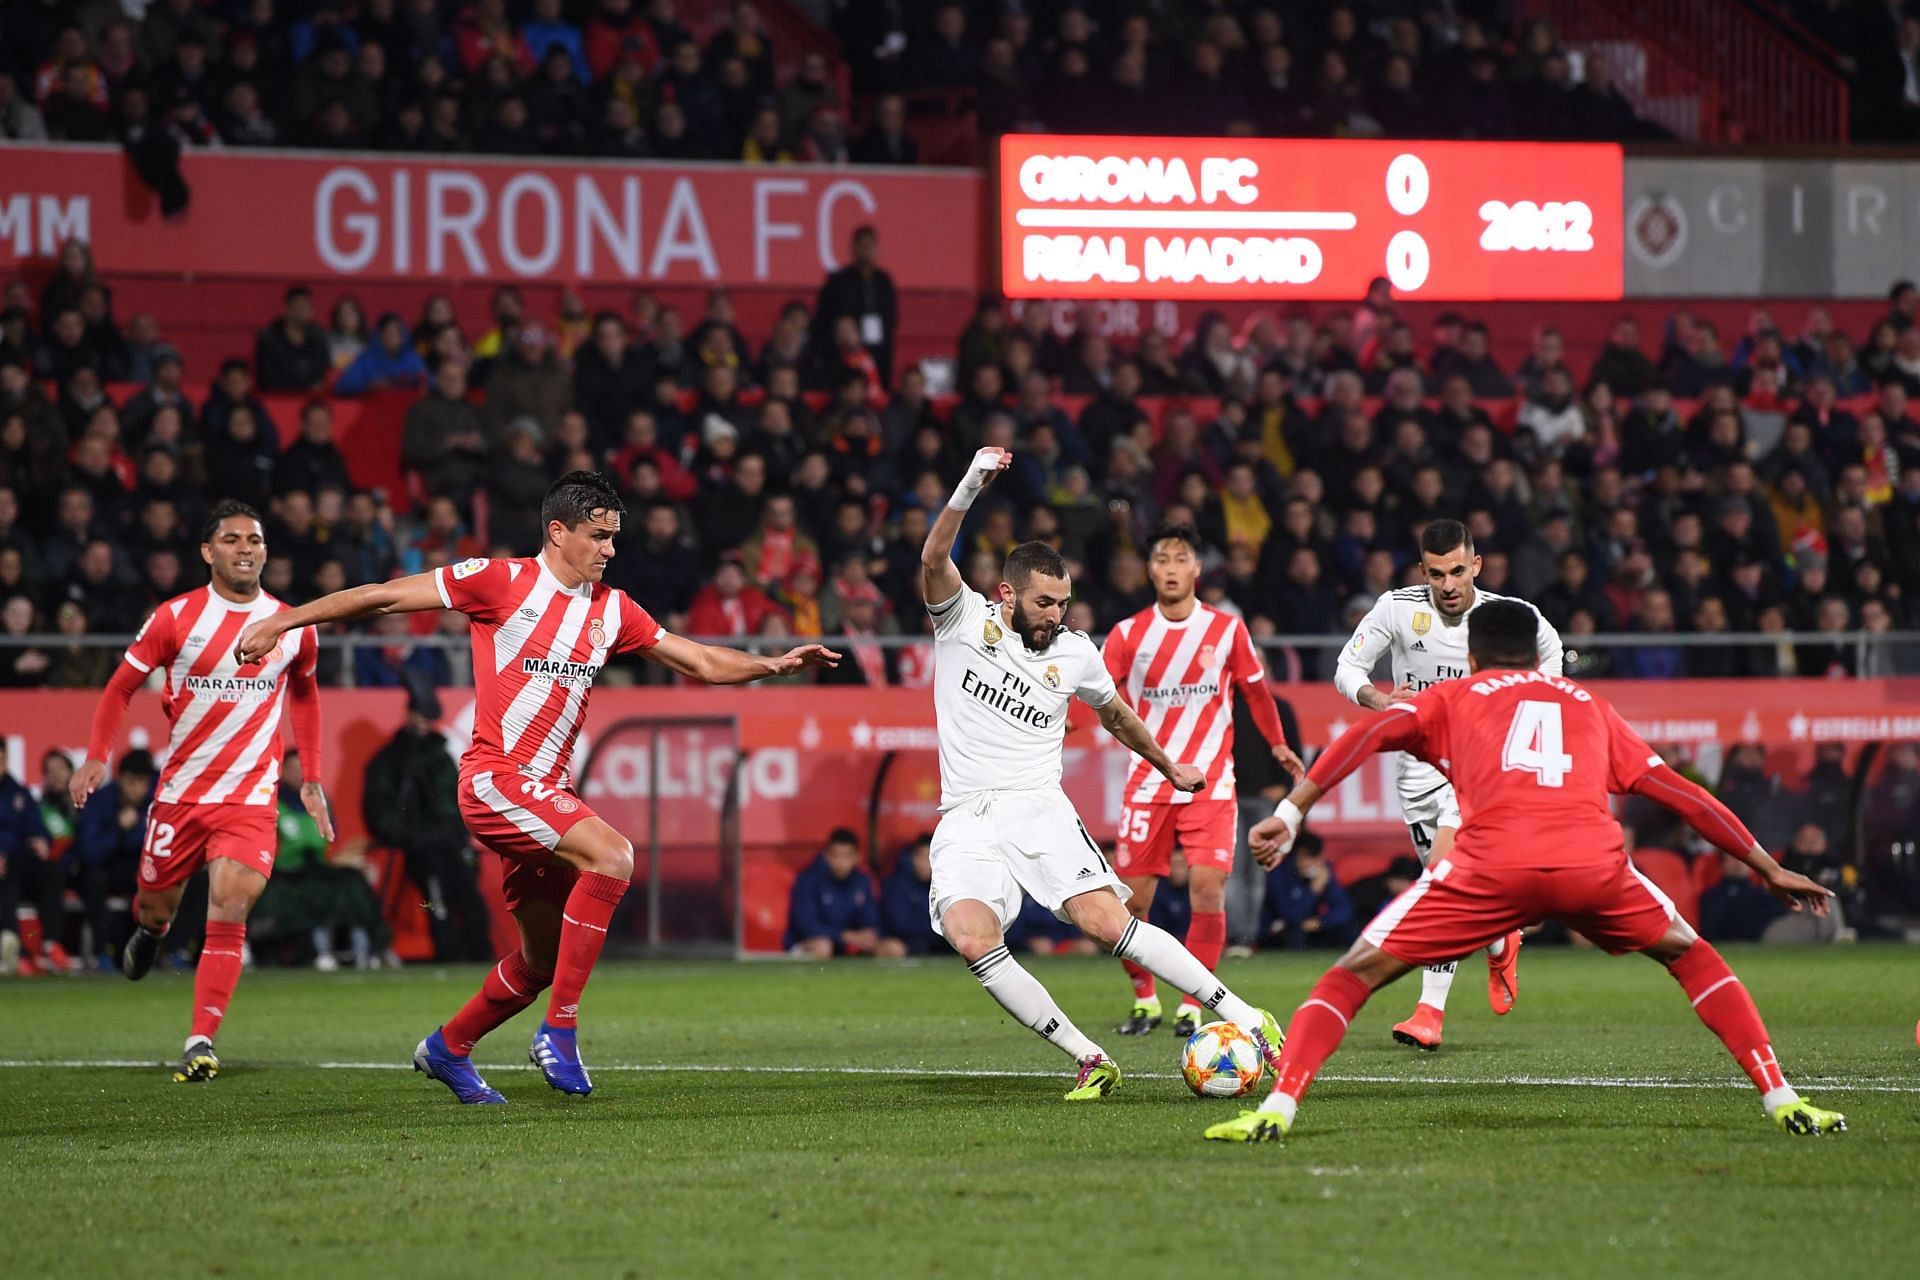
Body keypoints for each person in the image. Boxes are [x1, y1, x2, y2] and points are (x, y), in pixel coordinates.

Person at [231, 472, 839, 1104]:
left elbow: (700, 661)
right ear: (558, 531)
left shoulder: (614, 610)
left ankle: (447, 1047)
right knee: (613, 855)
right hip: (495, 780)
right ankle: (560, 1033)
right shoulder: (498, 582)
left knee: (541, 962)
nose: (609, 550)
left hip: (544, 793)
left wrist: (771, 665)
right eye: (599, 537)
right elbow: (384, 598)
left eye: (614, 539)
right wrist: (286, 622)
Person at [1205, 600, 1846, 1142]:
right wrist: (1767, 866)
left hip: (1489, 868)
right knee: (1692, 955)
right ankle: (1782, 1097)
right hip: (1592, 867)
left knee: (1354, 974)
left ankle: (1277, 1108)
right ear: (1537, 655)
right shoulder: (1589, 704)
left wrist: (1291, 812)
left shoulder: (1452, 696)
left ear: (1475, 655)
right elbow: (1678, 792)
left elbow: (1366, 737)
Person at [918, 446, 1281, 1101]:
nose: (1058, 614)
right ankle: (1090, 1058)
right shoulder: (963, 621)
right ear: (1007, 594)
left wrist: (1169, 764)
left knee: (1109, 924)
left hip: (1037, 807)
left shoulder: (1076, 653)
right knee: (973, 940)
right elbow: (931, 557)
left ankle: (1249, 1019)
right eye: (1045, 603)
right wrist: (971, 479)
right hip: (966, 814)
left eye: (1064, 602)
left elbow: (1117, 716)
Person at [71, 500, 330, 1083]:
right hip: (182, 798)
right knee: (156, 905)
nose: (246, 548)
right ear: (208, 552)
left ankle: (201, 1037)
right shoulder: (175, 618)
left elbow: (307, 697)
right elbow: (118, 689)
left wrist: (310, 775)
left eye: (256, 540)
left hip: (249, 799)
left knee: (231, 902)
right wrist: (95, 758)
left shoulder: (291, 625)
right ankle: (153, 931)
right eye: (233, 539)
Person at [1335, 517, 1563, 1051]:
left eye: (1458, 571)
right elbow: (1349, 666)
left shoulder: (1506, 616)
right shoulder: (1396, 608)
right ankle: (1499, 934)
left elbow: (1552, 655)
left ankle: (1427, 1013)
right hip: (1417, 770)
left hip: (1479, 767)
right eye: (1437, 574)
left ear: (1476, 566)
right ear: (1424, 571)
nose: (1449, 585)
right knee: (1452, 887)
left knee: (1441, 877)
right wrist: (1379, 700)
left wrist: (1528, 704)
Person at [1097, 522, 1303, 1037]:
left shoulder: (1227, 630)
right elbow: (1098, 697)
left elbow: (1257, 693)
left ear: (1196, 568)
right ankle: (1145, 1000)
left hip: (1211, 785)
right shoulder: (1126, 634)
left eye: (1180, 558)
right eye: (1161, 559)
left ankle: (1192, 1004)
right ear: (1150, 569)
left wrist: (1277, 743)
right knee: (1130, 905)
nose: (1170, 568)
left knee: (1208, 890)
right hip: (1148, 783)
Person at [362, 677, 493, 962]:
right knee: (436, 902)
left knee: (471, 897)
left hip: (453, 840)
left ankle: (480, 953)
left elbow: (459, 797)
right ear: (408, 715)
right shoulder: (391, 760)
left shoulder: (440, 757)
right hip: (420, 844)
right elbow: (379, 805)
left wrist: (462, 829)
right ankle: (449, 954)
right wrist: (402, 833)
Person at [0, 741, 64, 976]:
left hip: (20, 862)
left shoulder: (19, 793)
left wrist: (42, 841)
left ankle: (51, 943)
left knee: (51, 871)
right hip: (5, 869)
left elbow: (37, 827)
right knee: (6, 878)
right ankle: (13, 946)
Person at [785, 828, 887, 957]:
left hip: (847, 944)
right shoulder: (808, 879)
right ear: (826, 855)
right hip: (808, 942)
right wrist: (844, 935)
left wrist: (869, 933)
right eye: (835, 855)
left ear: (857, 857)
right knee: (823, 946)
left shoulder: (863, 881)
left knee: (889, 948)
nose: (840, 862)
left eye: (846, 856)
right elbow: (805, 926)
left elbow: (872, 918)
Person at [1261, 834, 1355, 950]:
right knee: (1294, 934)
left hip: (1310, 927)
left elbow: (1344, 909)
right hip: (1279, 930)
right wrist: (1314, 889)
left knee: (1348, 932)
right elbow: (1291, 915)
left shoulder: (1323, 871)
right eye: (1303, 857)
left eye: (1313, 857)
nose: (1307, 863)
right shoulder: (1279, 874)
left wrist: (1319, 923)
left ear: (1320, 857)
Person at [880, 834, 941, 955]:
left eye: (930, 858)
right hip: (907, 944)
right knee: (894, 948)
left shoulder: (947, 884)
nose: (924, 864)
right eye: (920, 857)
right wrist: (940, 927)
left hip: (941, 943)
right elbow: (900, 925)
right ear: (912, 857)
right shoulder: (897, 883)